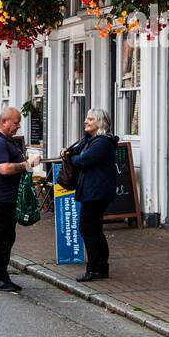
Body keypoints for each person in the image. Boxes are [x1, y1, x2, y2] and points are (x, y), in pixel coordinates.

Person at [0, 106, 40, 291]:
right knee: (2, 238)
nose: (18, 127)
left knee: (6, 237)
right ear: (4, 121)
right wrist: (27, 163)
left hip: (3, 197)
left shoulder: (4, 140)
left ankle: (1, 275)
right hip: (1, 198)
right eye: (15, 123)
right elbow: (4, 169)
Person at [63, 108, 118, 283]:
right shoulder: (91, 140)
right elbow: (76, 152)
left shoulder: (102, 143)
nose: (86, 121)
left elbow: (82, 160)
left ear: (100, 123)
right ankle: (101, 267)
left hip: (96, 193)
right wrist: (72, 152)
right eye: (87, 118)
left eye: (91, 119)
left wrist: (71, 158)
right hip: (92, 191)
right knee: (94, 230)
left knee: (88, 229)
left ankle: (94, 269)